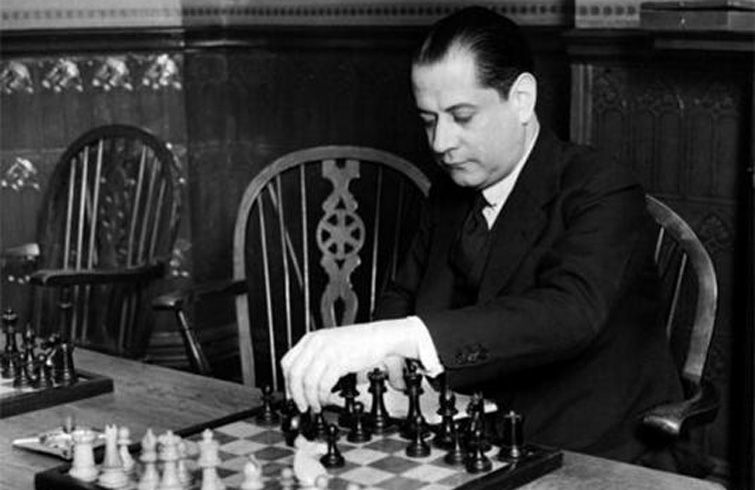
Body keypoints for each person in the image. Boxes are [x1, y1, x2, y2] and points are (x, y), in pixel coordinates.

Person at [281, 6, 682, 464]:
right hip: (470, 443)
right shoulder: (449, 195)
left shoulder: (601, 186)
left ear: (522, 99)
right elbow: (403, 295)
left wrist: (394, 337)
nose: (439, 143)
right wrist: (379, 361)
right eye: (429, 119)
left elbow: (569, 313)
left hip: (591, 455)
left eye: (462, 116)